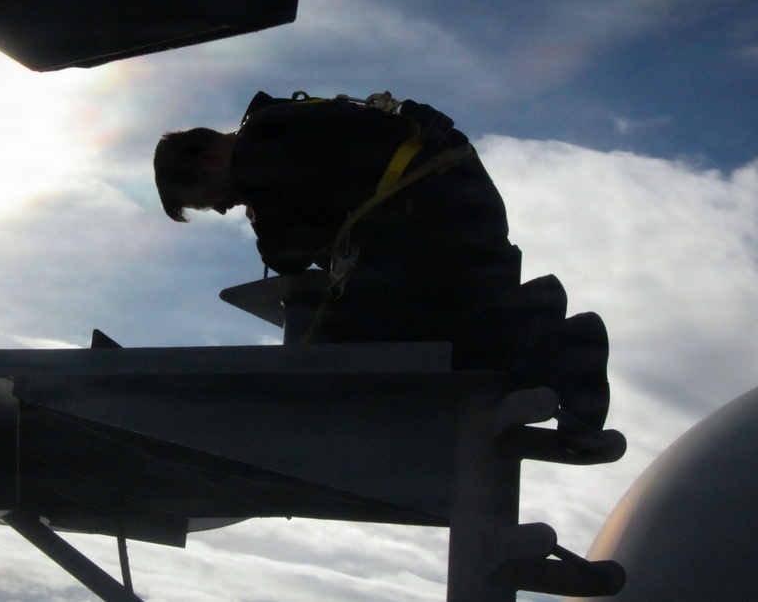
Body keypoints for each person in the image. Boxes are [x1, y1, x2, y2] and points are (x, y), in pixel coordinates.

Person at [154, 91, 609, 432]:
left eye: (207, 196)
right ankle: (555, 344)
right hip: (452, 200)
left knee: (373, 341)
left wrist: (263, 217)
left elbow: (287, 254)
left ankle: (562, 344)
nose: (220, 207)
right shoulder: (280, 128)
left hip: (429, 210)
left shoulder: (260, 148)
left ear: (208, 156)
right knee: (449, 331)